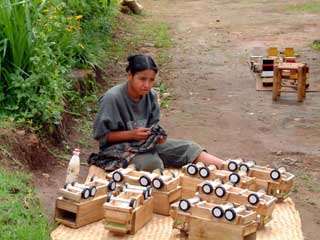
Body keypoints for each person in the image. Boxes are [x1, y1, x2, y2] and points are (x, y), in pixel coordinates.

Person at [93, 54, 224, 172]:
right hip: (116, 149)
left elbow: (152, 128)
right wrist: (131, 134)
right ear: (129, 76)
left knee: (190, 148)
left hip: (144, 145)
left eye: (151, 80)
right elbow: (102, 136)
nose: (147, 85)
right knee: (152, 163)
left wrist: (157, 136)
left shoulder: (151, 95)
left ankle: (231, 168)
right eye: (142, 79)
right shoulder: (112, 98)